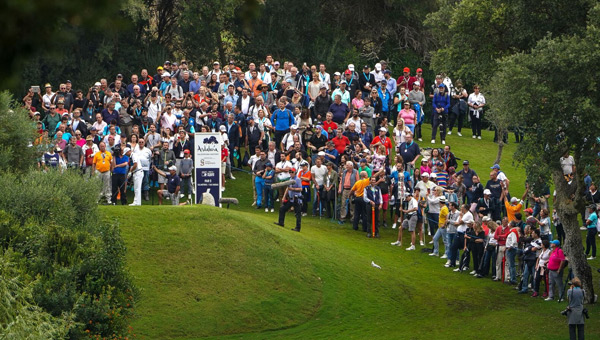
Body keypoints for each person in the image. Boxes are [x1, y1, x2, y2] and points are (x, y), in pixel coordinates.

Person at [274, 167, 303, 232]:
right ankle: (281, 222)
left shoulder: (297, 179)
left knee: (298, 214)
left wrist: (293, 189)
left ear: (295, 173)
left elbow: (300, 189)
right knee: (282, 209)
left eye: (292, 172)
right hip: (291, 199)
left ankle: (298, 228)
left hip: (296, 199)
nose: (291, 173)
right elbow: (287, 188)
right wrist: (284, 196)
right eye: (290, 172)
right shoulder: (290, 179)